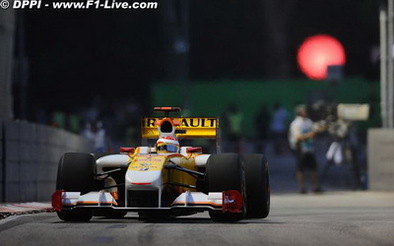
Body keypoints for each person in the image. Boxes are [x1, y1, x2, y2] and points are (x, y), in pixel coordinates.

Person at [289, 105, 323, 194]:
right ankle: (302, 187)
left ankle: (315, 186)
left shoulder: (308, 121)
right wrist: (309, 135)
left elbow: (315, 128)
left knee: (313, 167)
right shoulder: (296, 123)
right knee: (300, 168)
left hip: (309, 148)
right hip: (300, 148)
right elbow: (297, 136)